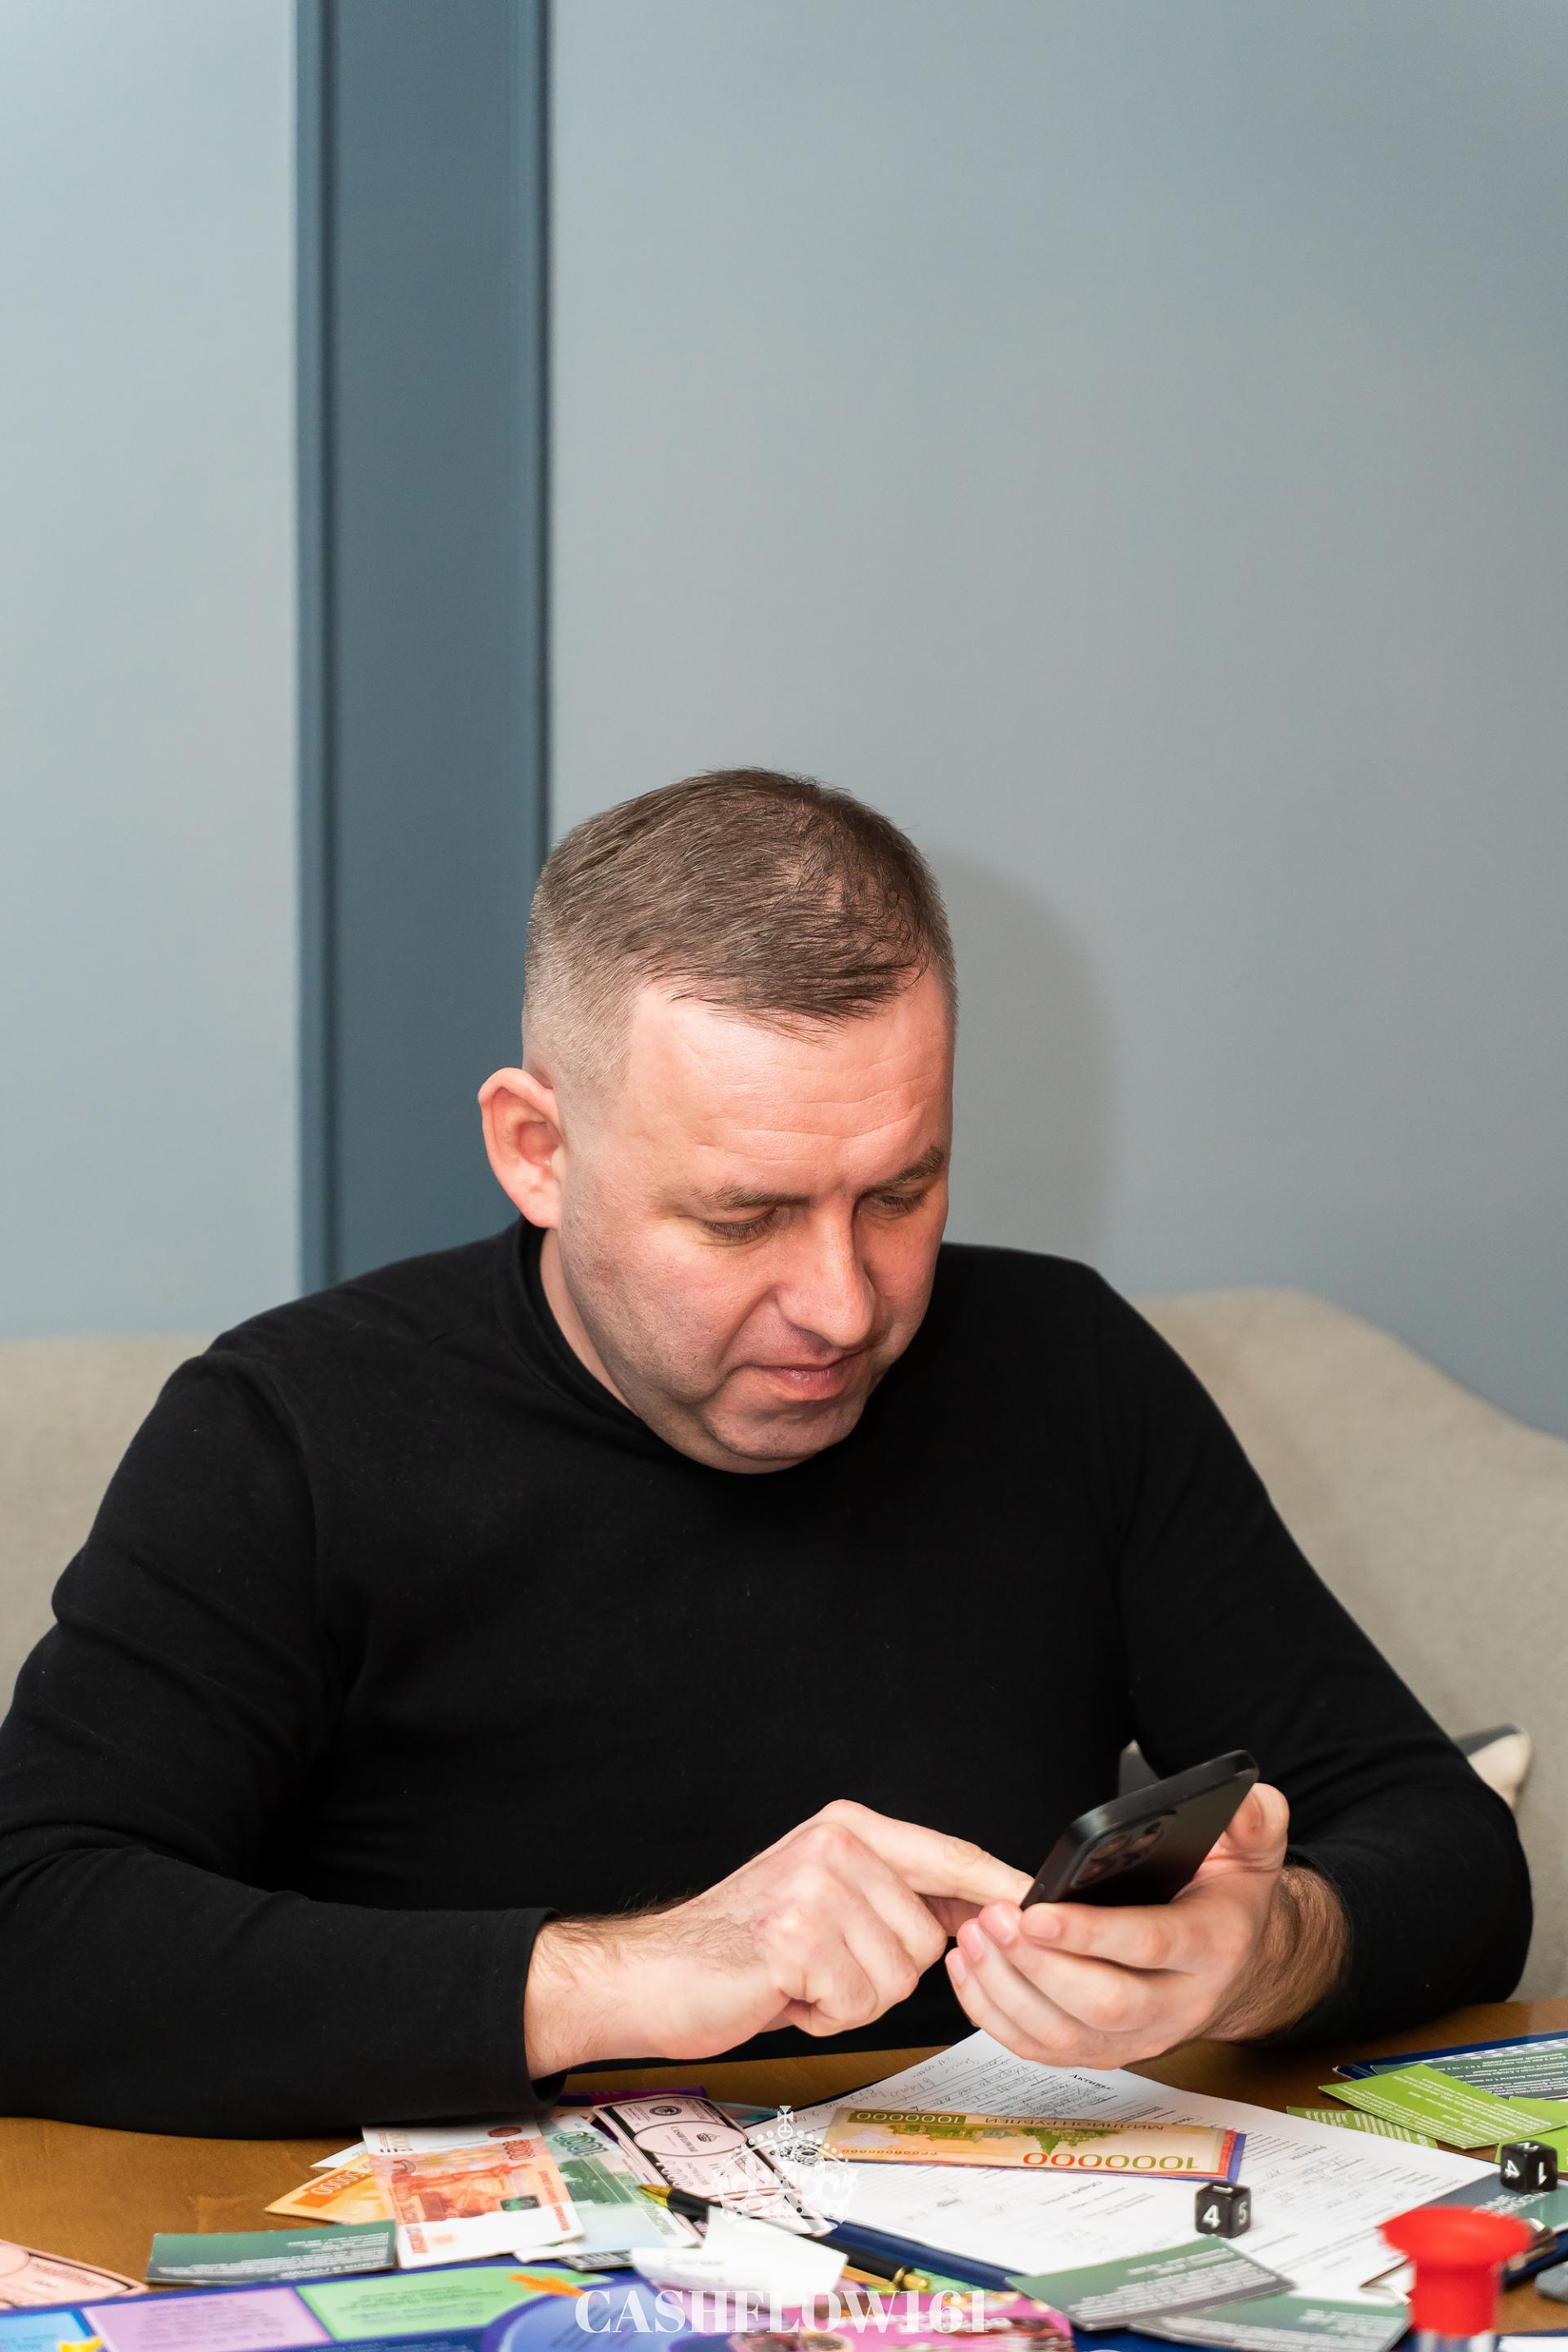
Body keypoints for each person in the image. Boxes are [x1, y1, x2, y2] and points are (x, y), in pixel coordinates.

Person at [0, 769, 1529, 2134]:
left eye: (899, 1194)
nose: (844, 1305)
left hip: (985, 2261)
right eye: (743, 1218)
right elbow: (34, 1934)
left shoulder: (1067, 1370)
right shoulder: (293, 1430)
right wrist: (624, 1979)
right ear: (539, 1149)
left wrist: (1260, 1956)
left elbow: (1446, 1846)